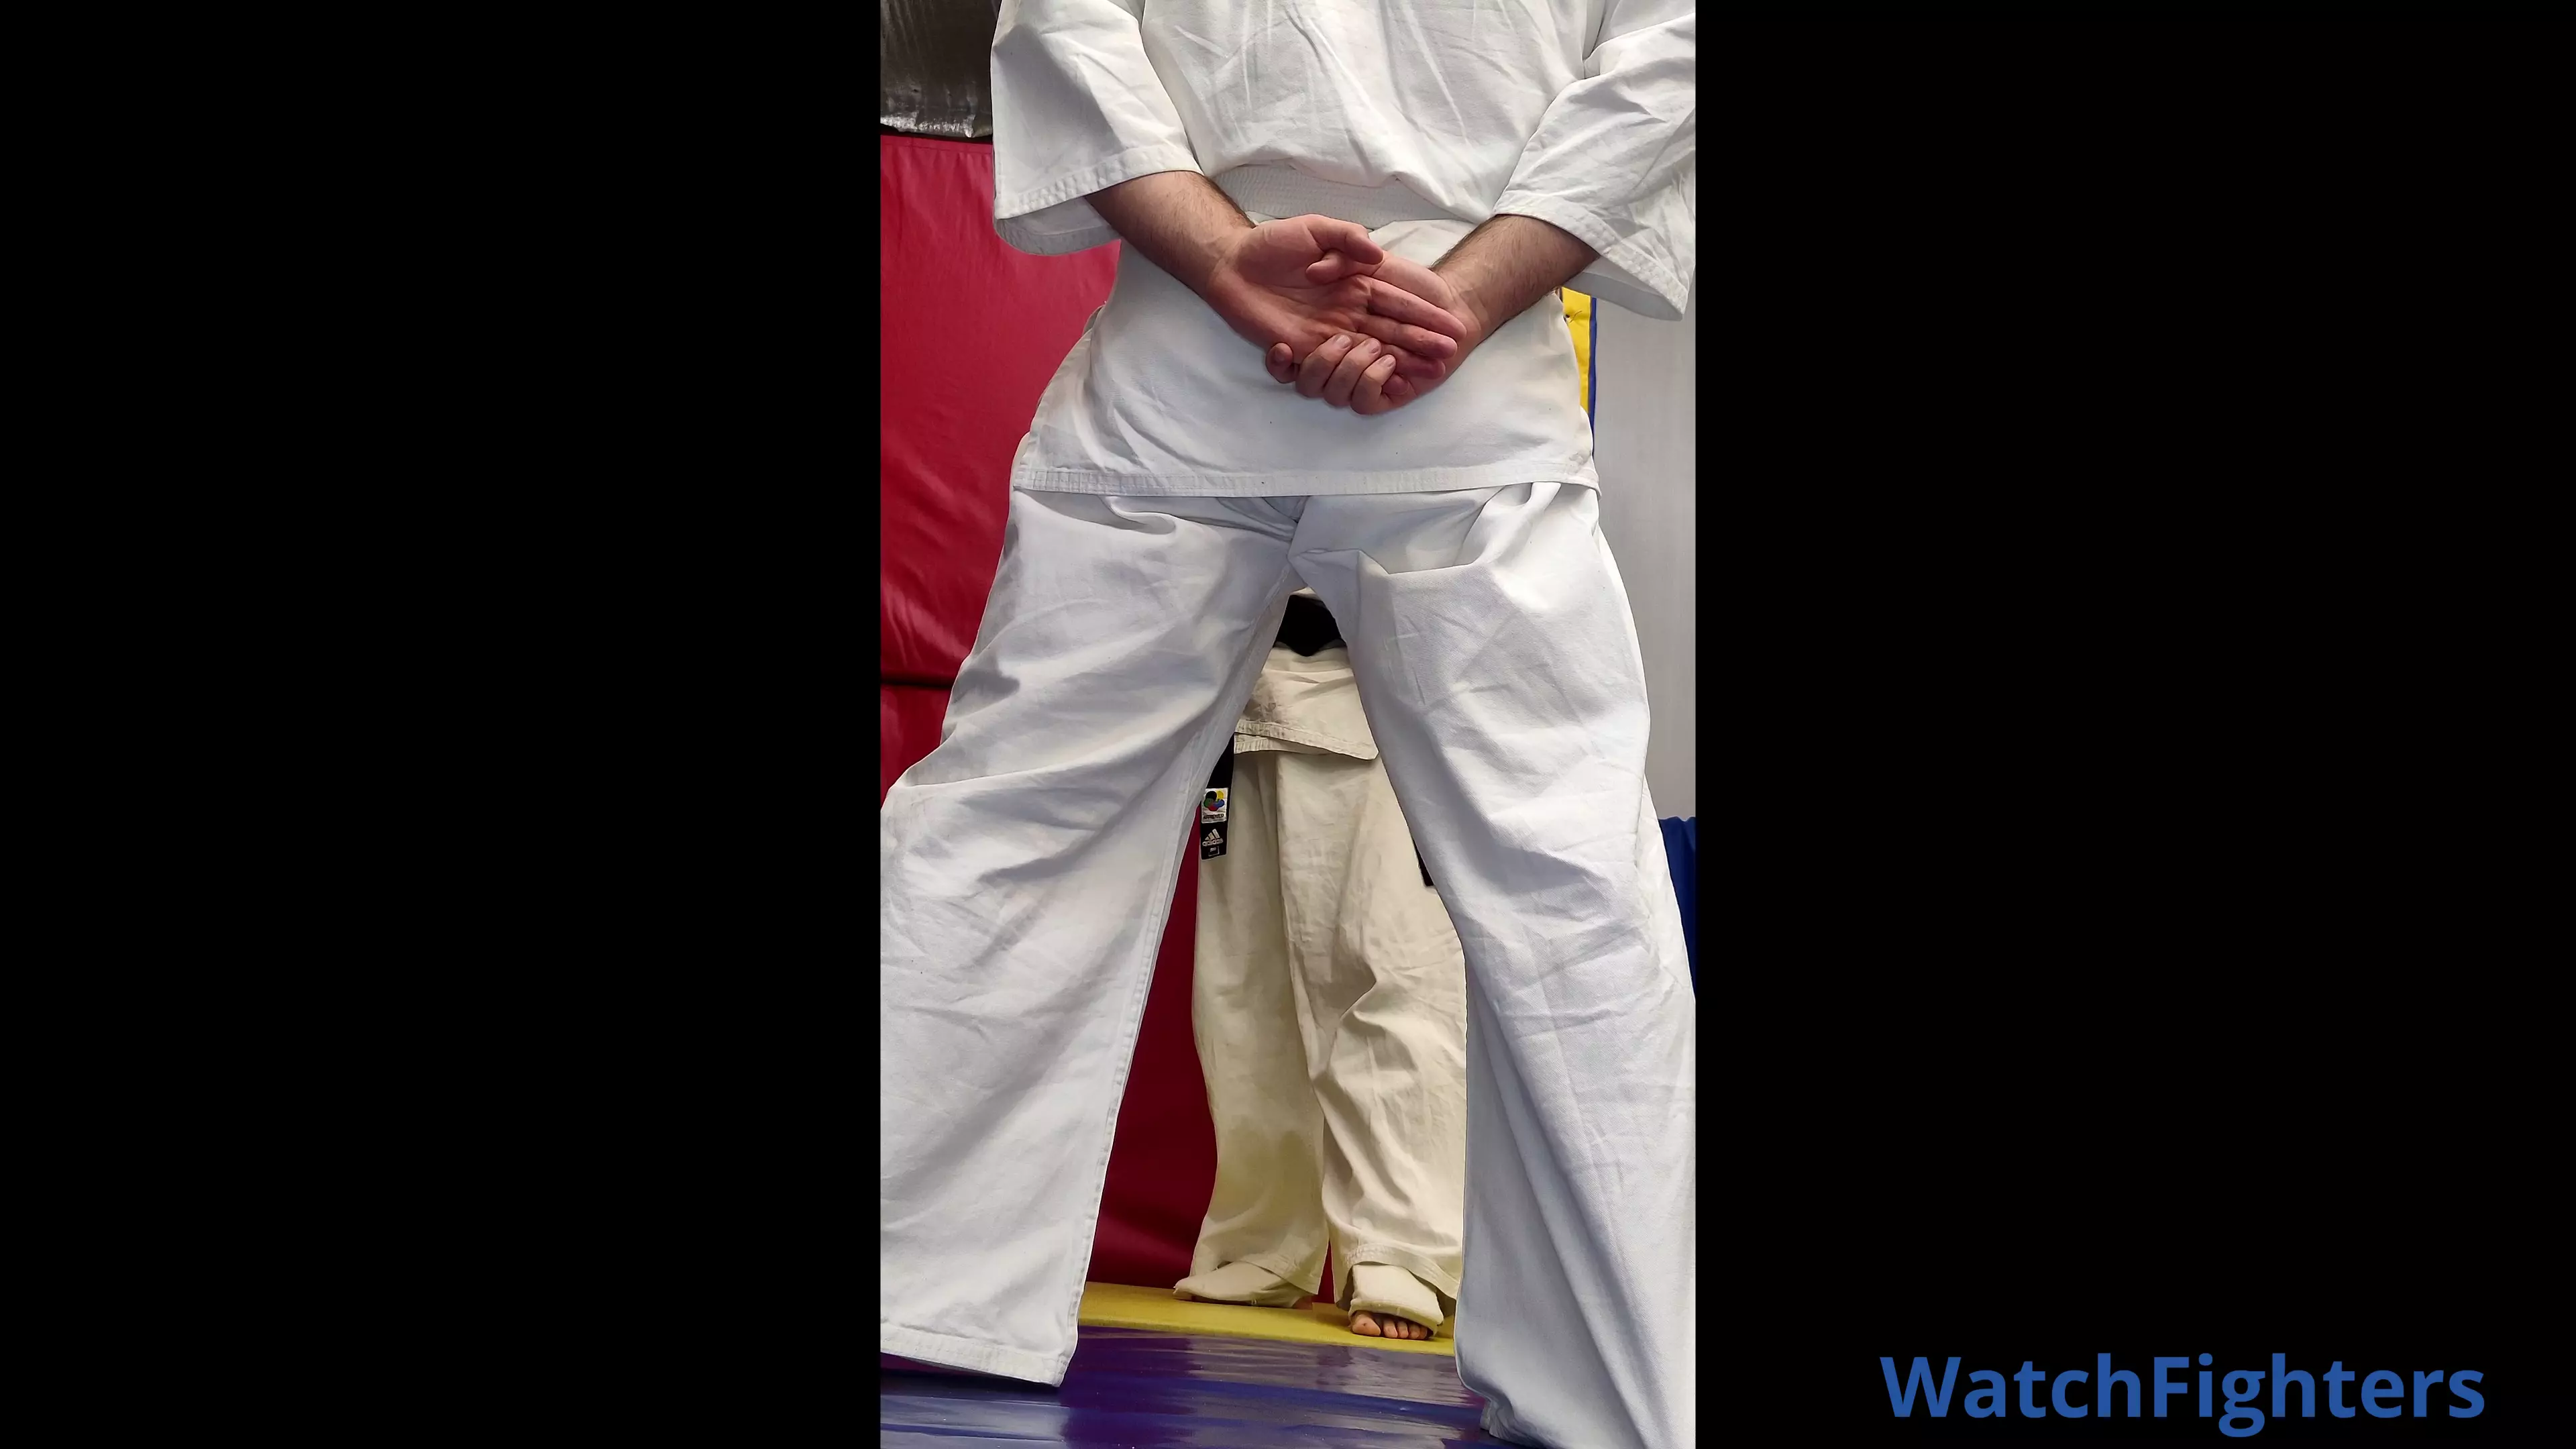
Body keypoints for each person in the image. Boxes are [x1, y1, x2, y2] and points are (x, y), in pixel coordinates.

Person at [881, 4, 1695, 1446]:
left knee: (1013, 826)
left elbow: (1071, 26)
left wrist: (1219, 259)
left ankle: (907, 1289)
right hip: (1466, 387)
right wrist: (1460, 296)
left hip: (1191, 359)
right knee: (1568, 878)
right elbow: (1667, 57)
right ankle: (1635, 1385)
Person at [1178, 592, 1466, 1345]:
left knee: (1390, 977)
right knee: (1243, 995)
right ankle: (1264, 1237)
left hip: (1376, 681)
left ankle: (1402, 1247)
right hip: (1239, 686)